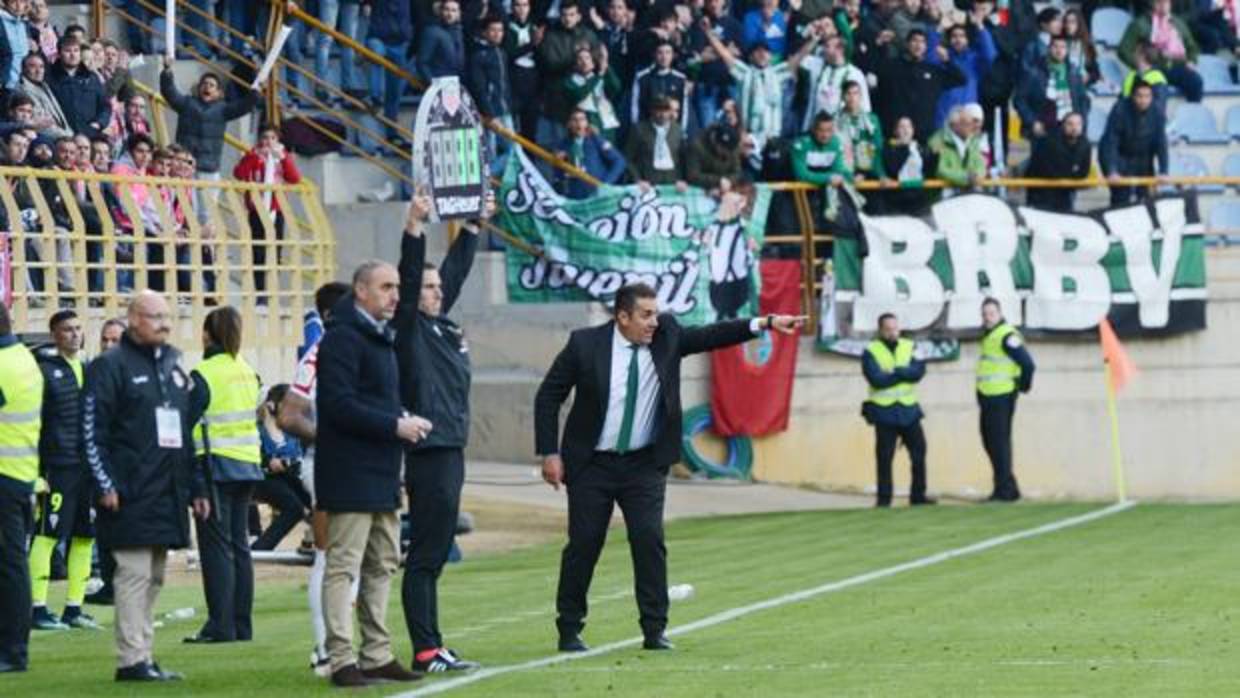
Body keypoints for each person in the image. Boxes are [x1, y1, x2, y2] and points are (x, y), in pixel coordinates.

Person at [535, 282, 804, 652]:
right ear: (622, 316)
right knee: (585, 543)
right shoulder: (584, 344)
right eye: (645, 315)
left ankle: (654, 629)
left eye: (656, 313)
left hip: (644, 463)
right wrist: (550, 452)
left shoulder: (667, 336)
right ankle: (569, 628)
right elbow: (548, 396)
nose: (654, 322)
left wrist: (766, 322)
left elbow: (712, 335)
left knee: (649, 540)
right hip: (592, 464)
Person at [85, 290, 208, 682]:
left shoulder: (173, 366)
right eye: (156, 317)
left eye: (167, 317)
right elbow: (92, 433)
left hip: (166, 491)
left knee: (154, 577)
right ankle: (131, 660)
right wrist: (105, 483)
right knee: (133, 575)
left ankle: (144, 655)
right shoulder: (110, 367)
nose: (165, 324)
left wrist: (197, 487)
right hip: (129, 490)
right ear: (134, 319)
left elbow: (184, 433)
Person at [315, 262, 428, 688]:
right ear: (360, 291)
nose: (395, 295)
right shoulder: (341, 338)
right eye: (386, 287)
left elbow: (373, 401)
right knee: (344, 566)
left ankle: (376, 655)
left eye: (396, 286)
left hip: (382, 470)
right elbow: (338, 405)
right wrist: (394, 425)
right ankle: (341, 659)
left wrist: (402, 417)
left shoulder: (380, 337)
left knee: (383, 563)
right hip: (349, 472)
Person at [396, 194, 490, 673]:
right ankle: (426, 649)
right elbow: (412, 275)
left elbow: (454, 273)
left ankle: (432, 645)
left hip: (451, 448)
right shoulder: (410, 329)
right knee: (426, 555)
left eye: (438, 288)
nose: (435, 293)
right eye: (427, 287)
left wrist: (474, 226)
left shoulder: (442, 327)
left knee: (434, 553)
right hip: (429, 451)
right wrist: (414, 228)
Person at [276, 281, 350, 675]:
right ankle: (326, 647)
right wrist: (331, 439)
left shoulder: (359, 348)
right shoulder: (318, 354)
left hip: (359, 464)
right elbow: (289, 415)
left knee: (357, 556)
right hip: (325, 463)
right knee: (330, 553)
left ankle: (341, 644)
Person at [183, 307, 263, 644]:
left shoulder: (203, 373)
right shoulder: (247, 370)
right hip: (247, 464)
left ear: (206, 334)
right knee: (240, 547)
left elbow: (185, 425)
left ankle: (220, 625)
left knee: (216, 549)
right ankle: (241, 625)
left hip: (214, 466)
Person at [27, 310, 98, 631]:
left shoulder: (89, 369)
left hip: (87, 467)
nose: (75, 334)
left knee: (85, 536)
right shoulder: (44, 371)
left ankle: (74, 608)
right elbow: (35, 423)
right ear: (54, 335)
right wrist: (37, 470)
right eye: (67, 329)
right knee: (47, 535)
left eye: (78, 328)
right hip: (58, 467)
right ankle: (37, 607)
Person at [0, 302, 44, 673]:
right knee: (12, 564)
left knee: (10, 566)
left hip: (3, 475)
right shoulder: (23, 358)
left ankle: (12, 650)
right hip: (20, 472)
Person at [861, 312, 935, 507]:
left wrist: (895, 372)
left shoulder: (910, 346)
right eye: (888, 329)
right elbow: (876, 379)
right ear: (880, 330)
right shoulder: (871, 351)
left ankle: (918, 496)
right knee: (884, 458)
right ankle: (884, 499)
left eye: (895, 328)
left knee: (919, 453)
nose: (893, 332)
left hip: (909, 410)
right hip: (884, 412)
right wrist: (904, 373)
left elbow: (918, 372)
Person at [83, 317, 125, 607]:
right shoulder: (94, 373)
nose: (108, 345)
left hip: (128, 466)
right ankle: (110, 585)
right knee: (105, 530)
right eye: (105, 340)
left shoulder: (135, 375)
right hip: (102, 463)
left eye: (115, 340)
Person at [160, 57, 259, 181]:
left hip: (209, 170)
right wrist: (167, 72)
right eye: (204, 84)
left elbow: (244, 106)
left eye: (212, 85)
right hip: (183, 167)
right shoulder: (187, 103)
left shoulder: (223, 109)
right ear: (198, 88)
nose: (207, 87)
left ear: (218, 92)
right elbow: (169, 92)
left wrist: (256, 92)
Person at [232, 125, 301, 300]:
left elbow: (294, 178)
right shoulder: (253, 155)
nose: (268, 142)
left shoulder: (283, 156)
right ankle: (260, 292)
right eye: (265, 137)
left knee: (274, 251)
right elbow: (240, 174)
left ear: (278, 141)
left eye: (272, 138)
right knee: (258, 251)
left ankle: (272, 290)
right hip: (257, 209)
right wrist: (254, 156)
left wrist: (283, 158)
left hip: (276, 210)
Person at [976, 297, 1034, 503]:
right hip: (989, 396)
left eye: (991, 313)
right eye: (985, 314)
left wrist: (1023, 386)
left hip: (1001, 396)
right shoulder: (991, 335)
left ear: (1000, 313)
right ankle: (1008, 487)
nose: (987, 317)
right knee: (991, 441)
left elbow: (1028, 364)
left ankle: (1004, 491)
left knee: (998, 443)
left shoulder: (1006, 335)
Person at [873, 29, 966, 144]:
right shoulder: (894, 65)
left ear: (926, 47)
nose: (918, 45)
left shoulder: (933, 71)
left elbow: (961, 79)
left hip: (924, 132)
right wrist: (879, 45)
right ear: (907, 44)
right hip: (898, 131)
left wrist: (947, 61)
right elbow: (875, 68)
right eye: (914, 41)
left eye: (922, 42)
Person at [252, 384, 308, 551]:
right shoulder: (257, 431)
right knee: (294, 508)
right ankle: (260, 548)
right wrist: (268, 461)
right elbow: (255, 458)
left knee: (315, 499)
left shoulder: (291, 431)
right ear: (271, 405)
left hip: (288, 477)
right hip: (262, 478)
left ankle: (315, 541)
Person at [1099, 81, 1168, 207]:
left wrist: (1164, 171)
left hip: (1143, 155)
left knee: (1145, 199)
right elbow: (1111, 142)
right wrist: (1112, 170)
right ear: (1132, 96)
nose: (1143, 100)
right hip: (1120, 154)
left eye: (1147, 96)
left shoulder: (1157, 111)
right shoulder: (1120, 109)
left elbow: (1161, 142)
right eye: (1140, 96)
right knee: (1121, 198)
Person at [1118, 0, 1203, 103]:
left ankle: (1192, 111)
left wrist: (1192, 60)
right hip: (1153, 67)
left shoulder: (1177, 23)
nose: (1163, 6)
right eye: (1159, 2)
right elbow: (1123, 50)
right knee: (1159, 88)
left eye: (1166, 3)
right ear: (1152, 4)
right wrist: (1138, 64)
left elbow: (1192, 47)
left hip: (1176, 66)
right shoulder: (1140, 24)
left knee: (1195, 81)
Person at [1013, 34, 1090, 139]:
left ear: (1067, 50)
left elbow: (1083, 100)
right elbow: (1019, 100)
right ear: (1049, 48)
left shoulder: (1074, 73)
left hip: (1069, 128)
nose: (1059, 51)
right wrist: (1032, 121)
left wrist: (1080, 120)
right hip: (1043, 128)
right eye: (1055, 47)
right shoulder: (1034, 73)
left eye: (1063, 47)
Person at [799, 34, 869, 133]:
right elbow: (798, 58)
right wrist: (813, 40)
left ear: (840, 49)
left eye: (827, 46)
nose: (823, 49)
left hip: (841, 131)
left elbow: (864, 106)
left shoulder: (854, 74)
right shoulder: (818, 65)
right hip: (814, 129)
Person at [1025, 111, 1091, 212]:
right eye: (1070, 124)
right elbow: (1050, 172)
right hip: (1041, 194)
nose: (1074, 128)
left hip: (1064, 194)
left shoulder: (1085, 144)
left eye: (1078, 124)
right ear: (1063, 125)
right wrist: (1071, 174)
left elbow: (1083, 173)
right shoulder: (1049, 142)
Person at [554, 109, 627, 199]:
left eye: (582, 119)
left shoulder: (595, 140)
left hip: (598, 195)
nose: (579, 123)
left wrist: (605, 184)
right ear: (569, 124)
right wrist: (558, 165)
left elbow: (619, 161)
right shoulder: (563, 145)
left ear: (587, 123)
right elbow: (559, 176)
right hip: (576, 196)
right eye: (575, 120)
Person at [49, 35, 111, 138]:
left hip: (90, 134)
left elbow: (105, 106)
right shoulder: (49, 77)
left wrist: (98, 124)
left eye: (76, 50)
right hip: (62, 137)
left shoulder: (92, 77)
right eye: (67, 51)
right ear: (59, 54)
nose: (73, 55)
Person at [625, 96, 687, 189]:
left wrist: (682, 179)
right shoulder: (639, 130)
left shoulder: (678, 130)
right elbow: (628, 158)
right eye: (659, 110)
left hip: (673, 182)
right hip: (647, 182)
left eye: (666, 110)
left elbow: (684, 158)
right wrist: (637, 180)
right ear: (652, 111)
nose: (662, 114)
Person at [837, 80, 885, 181]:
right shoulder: (835, 119)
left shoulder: (871, 119)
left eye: (855, 93)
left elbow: (877, 146)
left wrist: (870, 173)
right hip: (843, 171)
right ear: (842, 96)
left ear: (861, 96)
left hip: (868, 170)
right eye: (848, 93)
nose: (852, 98)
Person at [18, 52, 72, 141]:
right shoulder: (22, 91)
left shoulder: (45, 86)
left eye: (41, 66)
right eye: (33, 66)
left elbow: (60, 118)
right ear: (24, 69)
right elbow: (40, 123)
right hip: (46, 139)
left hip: (63, 136)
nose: (38, 71)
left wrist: (70, 134)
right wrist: (67, 136)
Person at [792, 111, 851, 186]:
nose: (825, 135)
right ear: (813, 129)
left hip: (824, 188)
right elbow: (801, 175)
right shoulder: (801, 145)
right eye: (821, 130)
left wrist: (851, 177)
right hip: (795, 190)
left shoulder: (836, 144)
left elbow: (838, 171)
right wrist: (828, 178)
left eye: (829, 130)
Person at [684, 122, 743, 196]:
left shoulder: (732, 147)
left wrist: (729, 180)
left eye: (728, 150)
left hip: (725, 190)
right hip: (700, 190)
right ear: (715, 141)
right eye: (722, 148)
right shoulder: (696, 146)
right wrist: (718, 181)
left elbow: (737, 172)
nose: (725, 152)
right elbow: (693, 176)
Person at [419, 0, 466, 80]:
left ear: (459, 13)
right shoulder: (431, 31)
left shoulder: (459, 31)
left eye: (454, 10)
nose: (450, 14)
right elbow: (422, 63)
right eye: (447, 9)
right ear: (440, 11)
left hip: (455, 81)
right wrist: (433, 83)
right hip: (438, 81)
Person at [0, 0, 32, 91]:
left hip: (25, 84)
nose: (18, 6)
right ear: (5, 4)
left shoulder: (24, 24)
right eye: (13, 2)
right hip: (6, 84)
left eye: (22, 2)